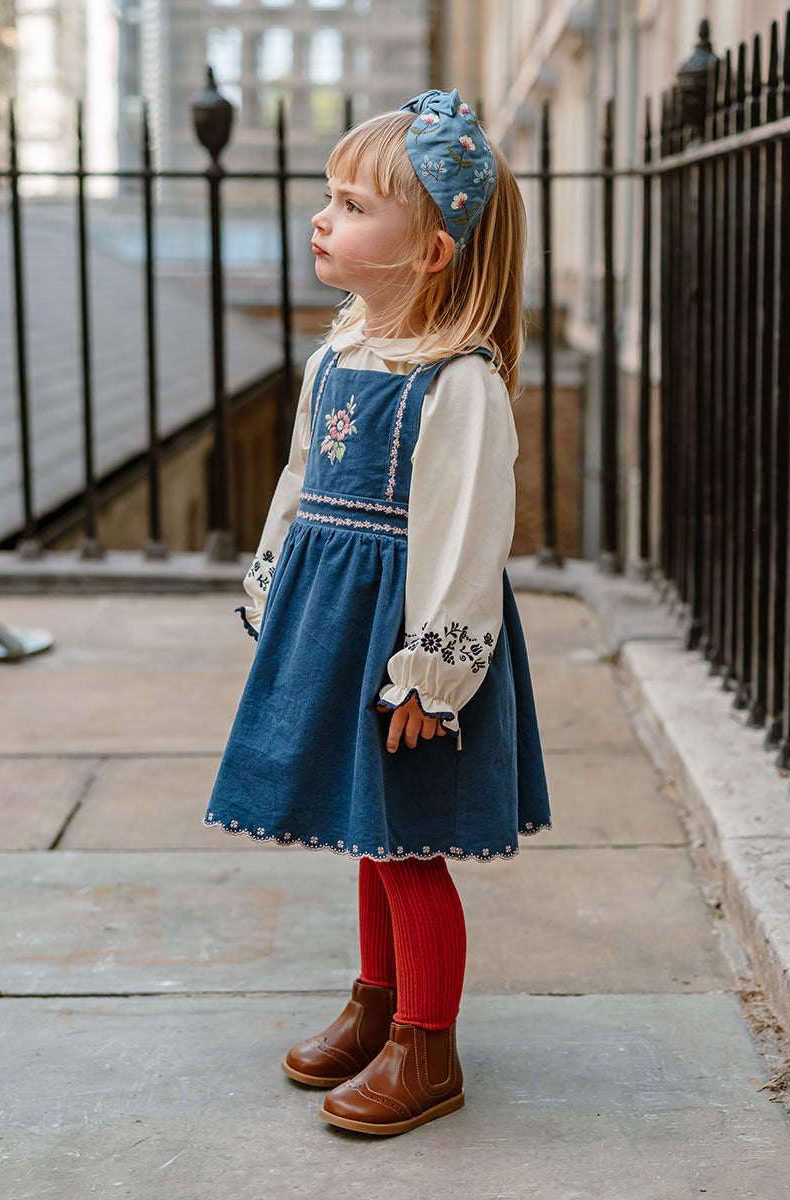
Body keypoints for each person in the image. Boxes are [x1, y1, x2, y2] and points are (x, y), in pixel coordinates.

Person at [204, 88, 551, 1136]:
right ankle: (377, 1003)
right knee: (370, 830)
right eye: (330, 197)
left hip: (402, 645)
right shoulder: (339, 356)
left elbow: (467, 541)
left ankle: (426, 1048)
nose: (323, 219)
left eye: (353, 206)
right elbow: (300, 485)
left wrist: (432, 678)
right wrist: (274, 586)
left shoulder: (457, 385)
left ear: (432, 251)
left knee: (410, 845)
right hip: (335, 623)